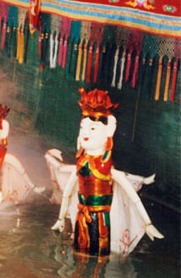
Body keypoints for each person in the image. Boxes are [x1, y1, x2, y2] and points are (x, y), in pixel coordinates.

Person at [49, 88, 163, 256]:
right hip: (82, 216)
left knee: (100, 255)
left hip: (100, 219)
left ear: (109, 130)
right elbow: (67, 194)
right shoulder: (82, 163)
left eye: (93, 128)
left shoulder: (106, 168)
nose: (85, 133)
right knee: (79, 253)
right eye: (82, 127)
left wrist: (148, 224)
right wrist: (60, 219)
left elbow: (133, 197)